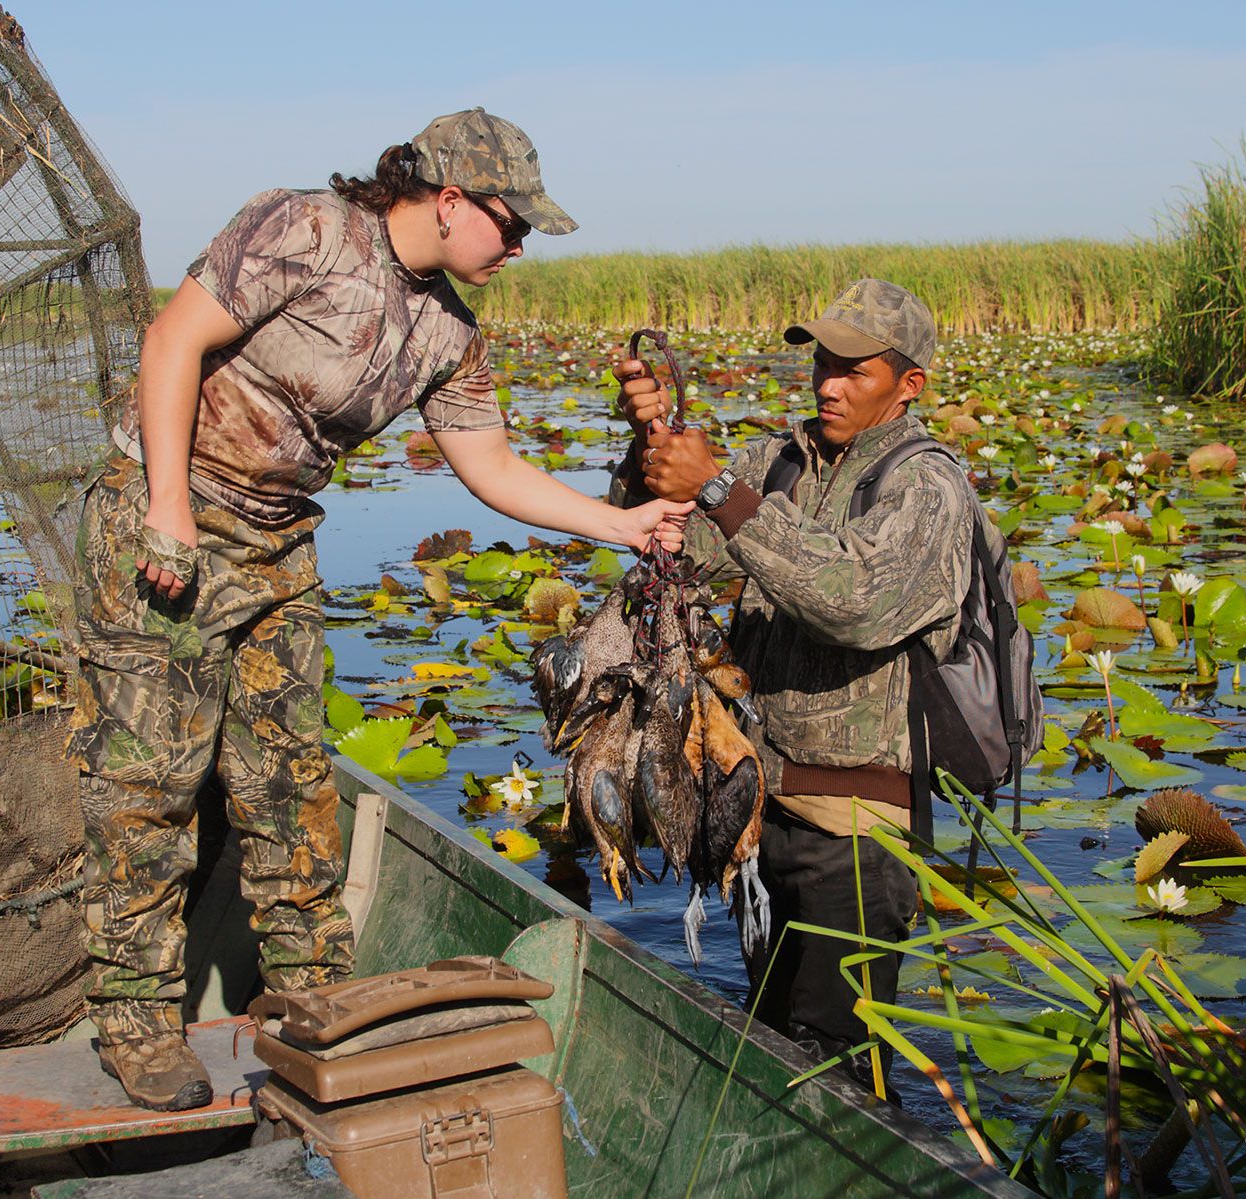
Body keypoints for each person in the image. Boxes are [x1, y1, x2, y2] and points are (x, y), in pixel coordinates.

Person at [69, 108, 689, 1112]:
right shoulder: (303, 232)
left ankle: (316, 996)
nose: (521, 245)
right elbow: (173, 341)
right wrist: (167, 508)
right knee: (150, 785)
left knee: (292, 782)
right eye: (510, 222)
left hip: (278, 539)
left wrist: (628, 527)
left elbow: (490, 467)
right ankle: (136, 1021)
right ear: (447, 198)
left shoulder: (449, 329)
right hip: (170, 523)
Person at [611, 279, 976, 1096]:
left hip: (855, 835)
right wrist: (651, 449)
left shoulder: (929, 488)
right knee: (771, 1051)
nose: (829, 384)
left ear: (908, 384)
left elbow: (855, 603)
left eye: (855, 369)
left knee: (835, 1076)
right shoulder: (780, 461)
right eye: (823, 361)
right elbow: (676, 555)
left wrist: (721, 491)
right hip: (756, 813)